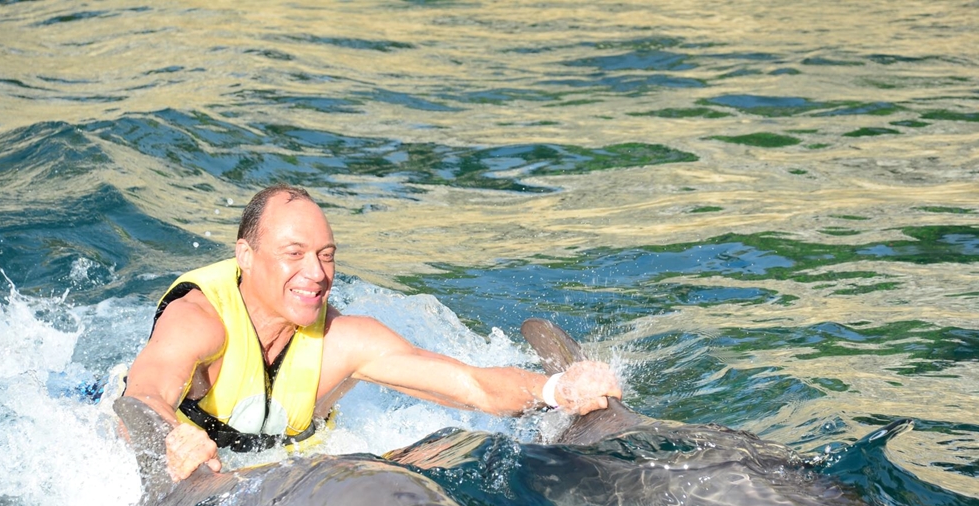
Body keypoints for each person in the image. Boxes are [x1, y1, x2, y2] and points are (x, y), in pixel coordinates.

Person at [123, 184, 622, 481]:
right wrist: (177, 437)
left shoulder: (344, 342)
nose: (316, 273)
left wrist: (560, 389)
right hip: (199, 465)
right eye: (293, 253)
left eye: (326, 255)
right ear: (246, 257)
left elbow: (471, 387)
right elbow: (140, 396)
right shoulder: (200, 322)